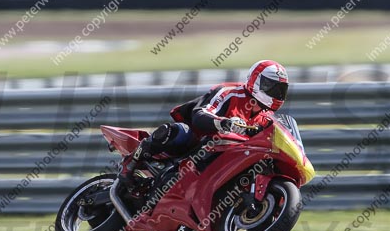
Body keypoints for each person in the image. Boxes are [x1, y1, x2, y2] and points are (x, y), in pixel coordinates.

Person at [117, 60, 290, 189]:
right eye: (272, 87)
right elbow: (199, 114)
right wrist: (225, 123)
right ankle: (131, 162)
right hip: (197, 141)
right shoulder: (230, 92)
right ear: (256, 80)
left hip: (226, 155)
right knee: (176, 132)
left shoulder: (266, 117)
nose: (276, 94)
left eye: (280, 90)